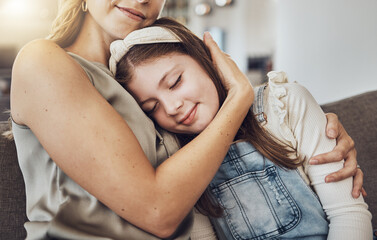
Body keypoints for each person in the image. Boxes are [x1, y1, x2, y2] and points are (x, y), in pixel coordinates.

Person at [8, 0, 363, 239]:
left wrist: (311, 126)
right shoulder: (44, 61)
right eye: (152, 107)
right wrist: (238, 99)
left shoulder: (131, 86)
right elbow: (159, 209)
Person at [111, 18, 373, 239]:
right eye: (151, 107)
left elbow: (349, 215)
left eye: (175, 81)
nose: (171, 107)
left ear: (207, 59)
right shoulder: (176, 158)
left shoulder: (284, 103)